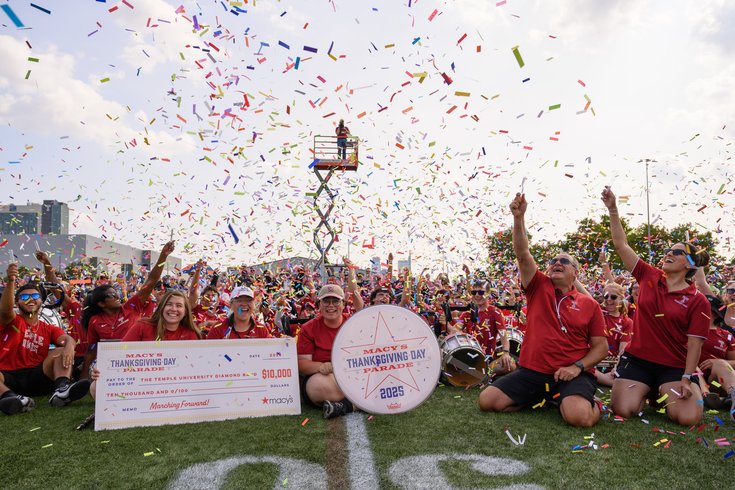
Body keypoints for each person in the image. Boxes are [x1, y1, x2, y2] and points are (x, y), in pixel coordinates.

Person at [479, 193, 608, 427]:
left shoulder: (590, 304)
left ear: (575, 273)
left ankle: (595, 404)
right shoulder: (539, 287)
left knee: (579, 418)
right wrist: (519, 218)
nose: (557, 263)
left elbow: (601, 347)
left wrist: (576, 367)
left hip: (572, 374)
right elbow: (523, 254)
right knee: (488, 401)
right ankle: (546, 398)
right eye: (553, 261)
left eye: (564, 261)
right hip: (533, 372)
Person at [602, 186, 710, 426]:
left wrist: (686, 377)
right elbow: (622, 245)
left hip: (673, 367)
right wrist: (613, 210)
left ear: (689, 264)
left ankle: (660, 393)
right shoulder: (649, 275)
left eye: (678, 253)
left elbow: (695, 344)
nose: (669, 254)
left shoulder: (697, 299)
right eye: (669, 250)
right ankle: (648, 391)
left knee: (687, 418)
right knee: (623, 410)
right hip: (638, 360)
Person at [0, 264, 90, 414]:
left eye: (35, 296)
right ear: (17, 303)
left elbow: (67, 339)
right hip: (8, 377)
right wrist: (10, 281)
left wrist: (69, 345)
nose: (31, 300)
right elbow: (5, 311)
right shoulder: (11, 320)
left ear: (41, 301)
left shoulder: (47, 328)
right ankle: (11, 398)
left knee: (62, 350)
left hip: (38, 376)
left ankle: (62, 390)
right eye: (24, 297)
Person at [80, 241, 175, 378]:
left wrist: (163, 257)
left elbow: (151, 281)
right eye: (112, 295)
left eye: (116, 292)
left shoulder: (131, 307)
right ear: (101, 304)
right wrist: (83, 379)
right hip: (111, 364)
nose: (117, 295)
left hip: (137, 362)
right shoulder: (95, 321)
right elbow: (91, 350)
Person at [297, 284, 355, 419]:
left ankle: (346, 406)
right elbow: (302, 363)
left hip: (353, 375)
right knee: (318, 385)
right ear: (319, 304)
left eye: (335, 301)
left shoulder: (354, 323)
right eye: (326, 301)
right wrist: (321, 366)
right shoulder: (308, 328)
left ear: (343, 304)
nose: (331, 305)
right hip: (325, 377)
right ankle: (360, 402)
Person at [460, 284, 515, 377]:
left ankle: (478, 373)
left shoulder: (495, 312)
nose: (477, 295)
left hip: (487, 358)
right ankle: (481, 374)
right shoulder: (467, 313)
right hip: (468, 356)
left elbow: (503, 334)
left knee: (511, 365)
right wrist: (446, 324)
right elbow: (456, 329)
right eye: (474, 292)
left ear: (488, 294)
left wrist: (506, 353)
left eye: (481, 292)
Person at [594, 282, 634, 387]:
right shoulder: (598, 312)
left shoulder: (627, 322)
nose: (609, 299)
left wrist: (616, 368)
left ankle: (604, 379)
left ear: (621, 299)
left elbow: (623, 350)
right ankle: (608, 381)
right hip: (593, 362)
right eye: (606, 296)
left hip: (612, 366)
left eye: (613, 297)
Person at [122, 290, 202, 341]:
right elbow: (122, 353)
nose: (173, 309)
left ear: (185, 312)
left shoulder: (190, 334)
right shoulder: (141, 327)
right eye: (169, 304)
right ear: (161, 308)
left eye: (179, 305)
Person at [206, 286, 273, 339]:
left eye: (248, 301)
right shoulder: (218, 329)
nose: (244, 304)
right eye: (239, 300)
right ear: (231, 304)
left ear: (253, 304)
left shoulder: (261, 329)